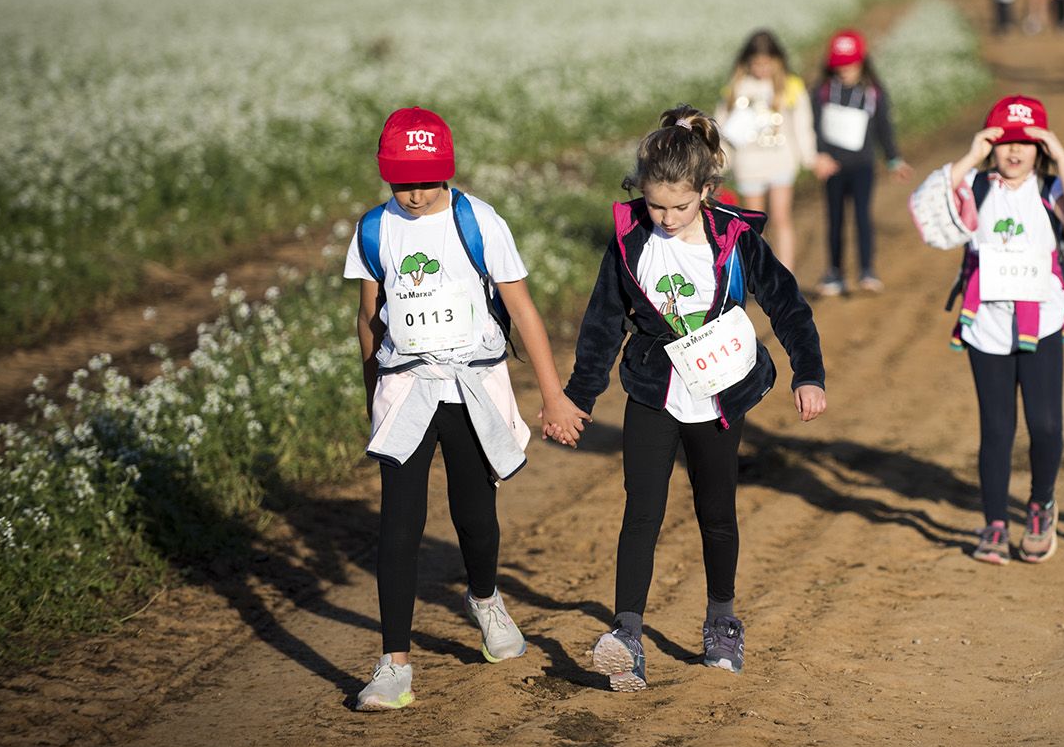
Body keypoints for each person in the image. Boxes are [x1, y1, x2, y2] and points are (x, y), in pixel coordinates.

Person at [563, 105, 827, 691]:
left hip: (717, 397)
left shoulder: (733, 239)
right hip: (653, 393)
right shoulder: (631, 240)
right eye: (655, 204)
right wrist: (579, 396)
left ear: (706, 191)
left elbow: (787, 305)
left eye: (679, 206)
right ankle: (627, 635)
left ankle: (721, 620)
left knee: (716, 512)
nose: (666, 217)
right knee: (642, 512)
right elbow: (603, 323)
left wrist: (807, 373)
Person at [344, 106, 588, 711]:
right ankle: (394, 663)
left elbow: (523, 309)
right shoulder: (375, 229)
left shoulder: (480, 222)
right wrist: (369, 389)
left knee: (475, 517)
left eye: (427, 180)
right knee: (398, 524)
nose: (416, 193)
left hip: (472, 388)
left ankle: (483, 598)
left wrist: (553, 395)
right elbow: (368, 317)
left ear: (448, 172)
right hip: (406, 389)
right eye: (402, 182)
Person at [931, 96, 1064, 564]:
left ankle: (1041, 503)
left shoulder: (1050, 187)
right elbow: (931, 209)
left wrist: (1060, 155)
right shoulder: (978, 187)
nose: (1016, 151)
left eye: (1027, 142)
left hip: (1041, 322)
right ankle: (995, 524)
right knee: (997, 429)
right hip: (986, 325)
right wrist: (971, 156)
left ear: (1040, 147)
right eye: (1005, 142)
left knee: (1044, 425)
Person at [810, 29, 912, 296]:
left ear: (862, 61)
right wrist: (818, 155)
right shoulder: (822, 91)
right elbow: (814, 126)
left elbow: (883, 127)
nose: (844, 69)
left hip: (863, 166)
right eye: (839, 64)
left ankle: (867, 270)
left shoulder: (873, 92)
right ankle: (834, 272)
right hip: (832, 166)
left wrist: (893, 159)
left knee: (862, 217)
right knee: (834, 219)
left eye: (850, 63)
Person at [716, 29, 816, 271]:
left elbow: (803, 125)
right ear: (747, 62)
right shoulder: (736, 88)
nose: (761, 69)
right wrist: (717, 168)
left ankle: (786, 276)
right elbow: (723, 132)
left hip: (781, 161)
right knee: (753, 223)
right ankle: (759, 276)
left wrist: (810, 158)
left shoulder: (790, 86)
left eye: (766, 63)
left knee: (781, 218)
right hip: (749, 165)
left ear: (777, 61)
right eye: (756, 64)